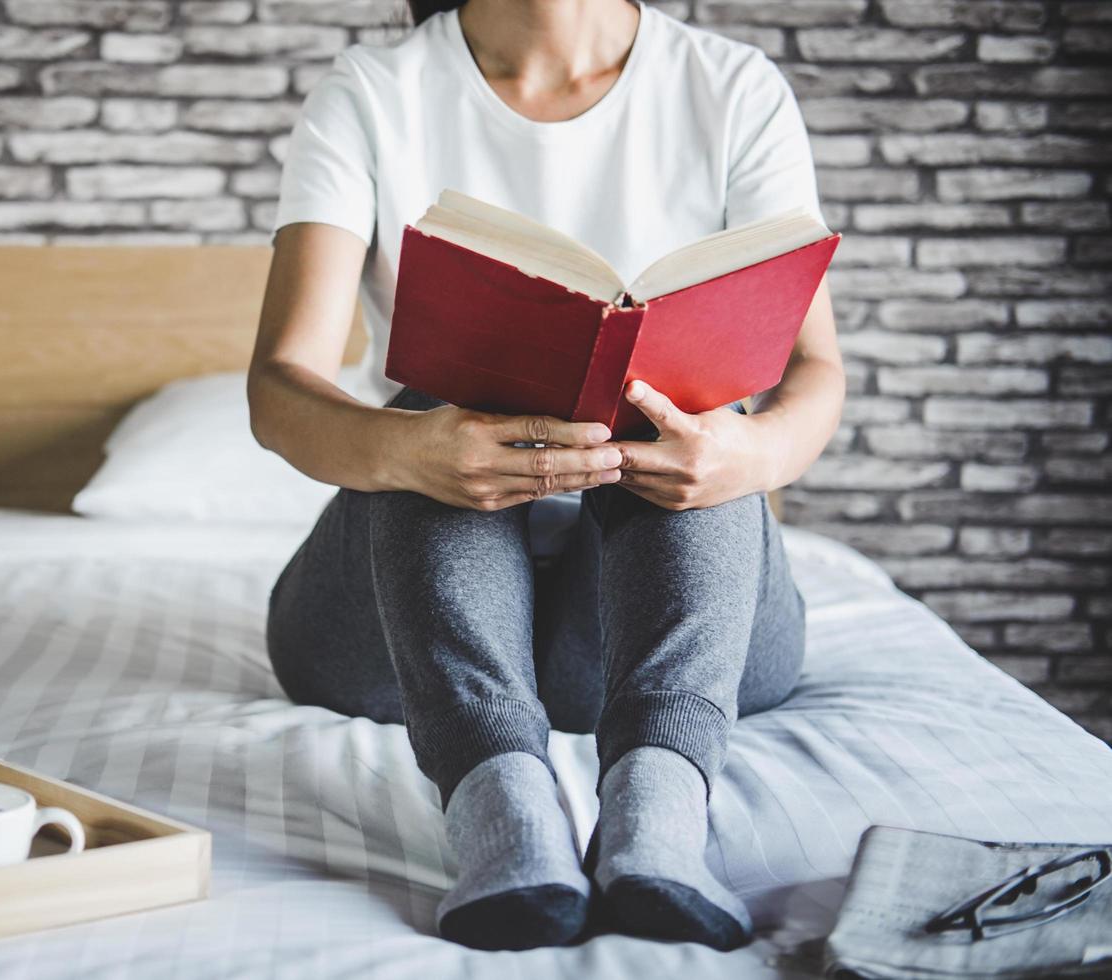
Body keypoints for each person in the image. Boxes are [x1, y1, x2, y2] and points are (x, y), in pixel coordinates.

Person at [247, 0, 844, 954]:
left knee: (689, 413)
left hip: (650, 614)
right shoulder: (375, 91)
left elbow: (816, 369)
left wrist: (750, 456)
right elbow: (280, 391)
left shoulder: (731, 89)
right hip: (407, 629)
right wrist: (417, 449)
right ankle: (503, 813)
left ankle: (657, 815)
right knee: (422, 417)